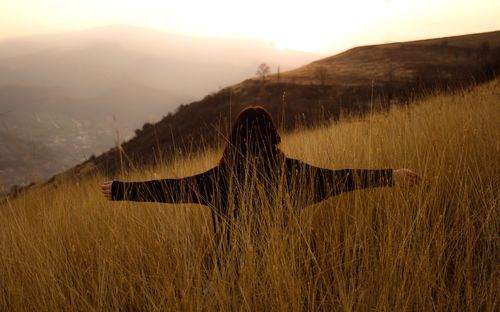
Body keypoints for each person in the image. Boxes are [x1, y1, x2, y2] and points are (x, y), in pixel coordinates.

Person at [101, 106, 419, 246]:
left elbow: (171, 189)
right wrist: (392, 175)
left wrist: (119, 189)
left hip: (231, 280)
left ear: (235, 138)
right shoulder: (294, 174)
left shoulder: (219, 180)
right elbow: (343, 178)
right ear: (273, 137)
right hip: (285, 272)